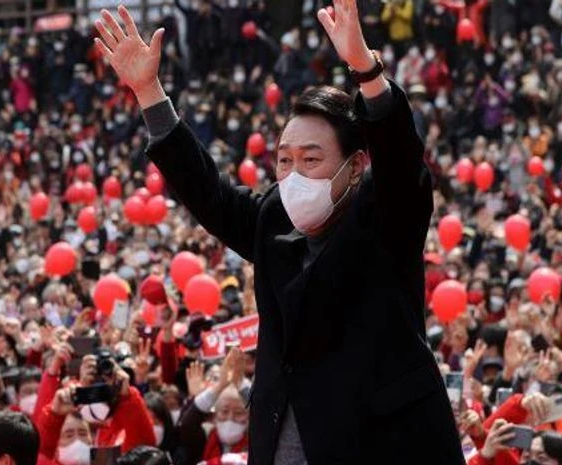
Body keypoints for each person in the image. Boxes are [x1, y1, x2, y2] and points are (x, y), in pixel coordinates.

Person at [93, 2, 464, 464]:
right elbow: (210, 195)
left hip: (382, 444)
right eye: (284, 160)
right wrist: (149, 93)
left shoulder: (386, 215)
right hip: (284, 441)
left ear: (355, 166)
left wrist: (366, 72)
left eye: (311, 160)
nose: (293, 175)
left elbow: (401, 161)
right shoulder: (275, 219)